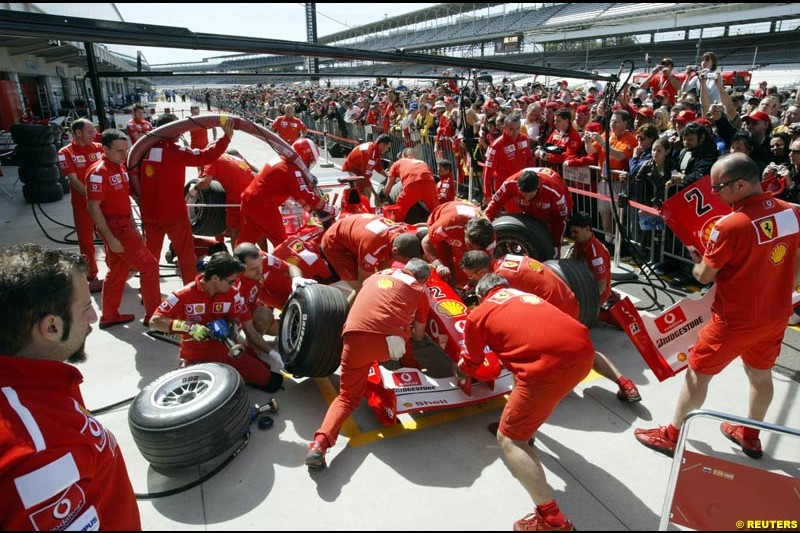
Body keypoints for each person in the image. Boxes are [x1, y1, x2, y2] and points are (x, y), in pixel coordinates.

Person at [634, 154, 800, 459]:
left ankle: (671, 436)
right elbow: (796, 261)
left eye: (719, 187)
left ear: (740, 184)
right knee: (761, 376)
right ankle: (750, 435)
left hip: (733, 320)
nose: (716, 194)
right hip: (775, 317)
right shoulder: (791, 213)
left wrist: (698, 261)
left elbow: (704, 276)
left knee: (697, 374)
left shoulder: (730, 225)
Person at [0, 244, 141, 530]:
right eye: (87, 308)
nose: (93, 318)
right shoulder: (41, 455)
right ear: (51, 327)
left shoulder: (35, 385)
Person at [456, 274, 594, 531]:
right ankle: (522, 427)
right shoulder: (527, 297)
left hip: (549, 368)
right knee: (523, 383)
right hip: (585, 353)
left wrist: (460, 370)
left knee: (509, 440)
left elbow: (473, 363)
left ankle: (551, 519)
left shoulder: (479, 313)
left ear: (478, 296)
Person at [461, 248, 641, 403]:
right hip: (568, 298)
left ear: (480, 271)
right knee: (583, 348)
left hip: (556, 309)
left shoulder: (502, 277)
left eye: (472, 277)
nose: (472, 282)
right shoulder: (505, 259)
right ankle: (625, 383)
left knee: (521, 354)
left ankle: (521, 402)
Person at [305, 258, 432, 469]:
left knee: (346, 398)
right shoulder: (419, 289)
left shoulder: (375, 276)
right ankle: (412, 368)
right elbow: (419, 335)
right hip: (386, 346)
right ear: (424, 279)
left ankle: (320, 444)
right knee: (405, 336)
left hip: (352, 338)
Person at [150, 251, 283, 392]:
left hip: (228, 351)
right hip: (196, 355)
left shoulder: (232, 294)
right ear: (214, 278)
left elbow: (250, 330)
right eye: (231, 281)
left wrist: (272, 353)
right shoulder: (182, 294)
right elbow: (155, 321)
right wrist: (188, 327)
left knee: (268, 380)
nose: (234, 285)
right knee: (194, 394)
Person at [133, 114, 234, 285]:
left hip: (149, 213)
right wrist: (226, 138)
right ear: (173, 129)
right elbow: (205, 156)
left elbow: (131, 175)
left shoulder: (141, 151)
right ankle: (190, 295)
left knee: (150, 259)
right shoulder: (175, 150)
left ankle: (150, 299)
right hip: (173, 214)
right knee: (186, 255)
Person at [86, 128, 161, 328]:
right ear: (105, 149)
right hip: (116, 228)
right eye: (119, 151)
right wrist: (110, 238)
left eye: (126, 150)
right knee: (150, 267)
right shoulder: (98, 173)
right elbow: (93, 208)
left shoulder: (119, 168)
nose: (124, 154)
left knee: (118, 270)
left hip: (125, 225)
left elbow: (125, 201)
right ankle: (155, 316)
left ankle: (109, 316)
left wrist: (135, 227)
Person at [238, 138, 333, 249]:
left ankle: (234, 264)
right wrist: (329, 208)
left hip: (249, 201)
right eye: (310, 161)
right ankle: (286, 265)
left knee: (246, 241)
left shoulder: (279, 160)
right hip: (264, 206)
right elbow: (306, 196)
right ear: (305, 156)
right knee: (283, 244)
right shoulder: (291, 169)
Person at [320, 213, 422, 297]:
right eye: (402, 261)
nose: (403, 264)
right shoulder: (373, 249)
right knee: (363, 290)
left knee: (381, 283)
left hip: (355, 235)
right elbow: (365, 282)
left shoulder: (401, 234)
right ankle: (347, 318)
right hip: (334, 244)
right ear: (395, 250)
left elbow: (384, 269)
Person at [57, 118, 104, 293]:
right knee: (86, 241)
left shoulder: (99, 148)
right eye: (91, 131)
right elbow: (74, 181)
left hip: (104, 203)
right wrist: (93, 199)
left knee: (111, 236)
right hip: (83, 204)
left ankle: (117, 270)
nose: (95, 135)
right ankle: (91, 275)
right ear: (78, 133)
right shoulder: (65, 152)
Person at [484, 167, 572, 259]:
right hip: (530, 211)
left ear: (538, 187)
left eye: (530, 195)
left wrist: (556, 247)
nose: (526, 198)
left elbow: (560, 221)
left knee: (551, 248)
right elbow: (495, 203)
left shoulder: (554, 192)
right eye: (523, 195)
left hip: (554, 212)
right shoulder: (510, 184)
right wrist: (484, 222)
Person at [232, 242, 315, 335]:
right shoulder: (233, 285)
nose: (260, 270)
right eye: (253, 269)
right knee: (261, 317)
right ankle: (249, 348)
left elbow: (289, 267)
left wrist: (297, 278)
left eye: (261, 264)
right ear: (240, 269)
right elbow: (240, 321)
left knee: (282, 331)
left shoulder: (264, 258)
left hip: (255, 299)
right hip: (236, 310)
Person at [421, 200, 491, 286]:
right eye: (469, 246)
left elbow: (484, 270)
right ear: (465, 233)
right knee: (446, 273)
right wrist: (438, 264)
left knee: (466, 272)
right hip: (445, 220)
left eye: (476, 250)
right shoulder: (447, 224)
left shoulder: (491, 237)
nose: (470, 251)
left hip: (462, 224)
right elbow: (426, 242)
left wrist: (472, 283)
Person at [191, 152, 256, 243]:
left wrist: (193, 190)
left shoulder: (210, 157)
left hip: (237, 199)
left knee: (234, 231)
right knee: (256, 230)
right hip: (254, 194)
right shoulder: (234, 158)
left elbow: (205, 182)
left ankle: (235, 255)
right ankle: (267, 254)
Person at [483, 114, 535, 200]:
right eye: (511, 129)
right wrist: (487, 194)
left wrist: (532, 181)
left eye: (518, 128)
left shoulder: (523, 139)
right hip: (505, 189)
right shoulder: (496, 145)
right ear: (504, 127)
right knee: (513, 213)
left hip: (523, 186)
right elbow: (488, 171)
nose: (515, 132)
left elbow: (530, 160)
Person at [383, 148, 439, 223]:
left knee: (399, 211)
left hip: (412, 184)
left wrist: (382, 199)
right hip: (430, 184)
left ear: (404, 155)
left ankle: (395, 230)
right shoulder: (422, 162)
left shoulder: (398, 162)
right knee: (436, 212)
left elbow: (388, 187)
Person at [341, 133, 392, 204]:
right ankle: (361, 212)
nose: (387, 150)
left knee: (366, 193)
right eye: (387, 148)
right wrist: (376, 195)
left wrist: (389, 177)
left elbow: (379, 168)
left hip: (357, 171)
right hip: (351, 171)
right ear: (382, 144)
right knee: (366, 195)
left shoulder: (375, 149)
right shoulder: (370, 154)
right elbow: (366, 177)